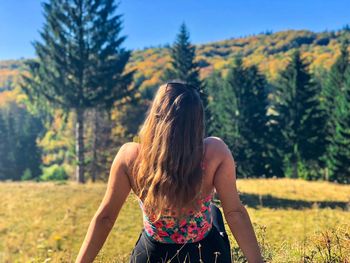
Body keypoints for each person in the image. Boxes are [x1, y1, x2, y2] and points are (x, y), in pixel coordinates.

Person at [75, 82, 264, 263]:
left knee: (212, 213)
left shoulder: (130, 156)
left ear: (155, 116)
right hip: (205, 254)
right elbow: (234, 212)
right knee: (216, 213)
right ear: (197, 121)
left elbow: (106, 218)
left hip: (152, 256)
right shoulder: (215, 151)